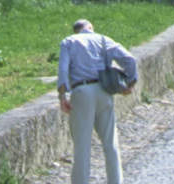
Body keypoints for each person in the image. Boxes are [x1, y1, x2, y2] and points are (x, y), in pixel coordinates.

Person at [56, 17, 137, 184]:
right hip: (104, 90)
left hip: (82, 91)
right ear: (90, 28)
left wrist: (63, 95)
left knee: (82, 146)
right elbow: (129, 60)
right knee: (110, 142)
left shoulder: (68, 42)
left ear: (76, 30)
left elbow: (63, 69)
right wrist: (130, 82)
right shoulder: (103, 39)